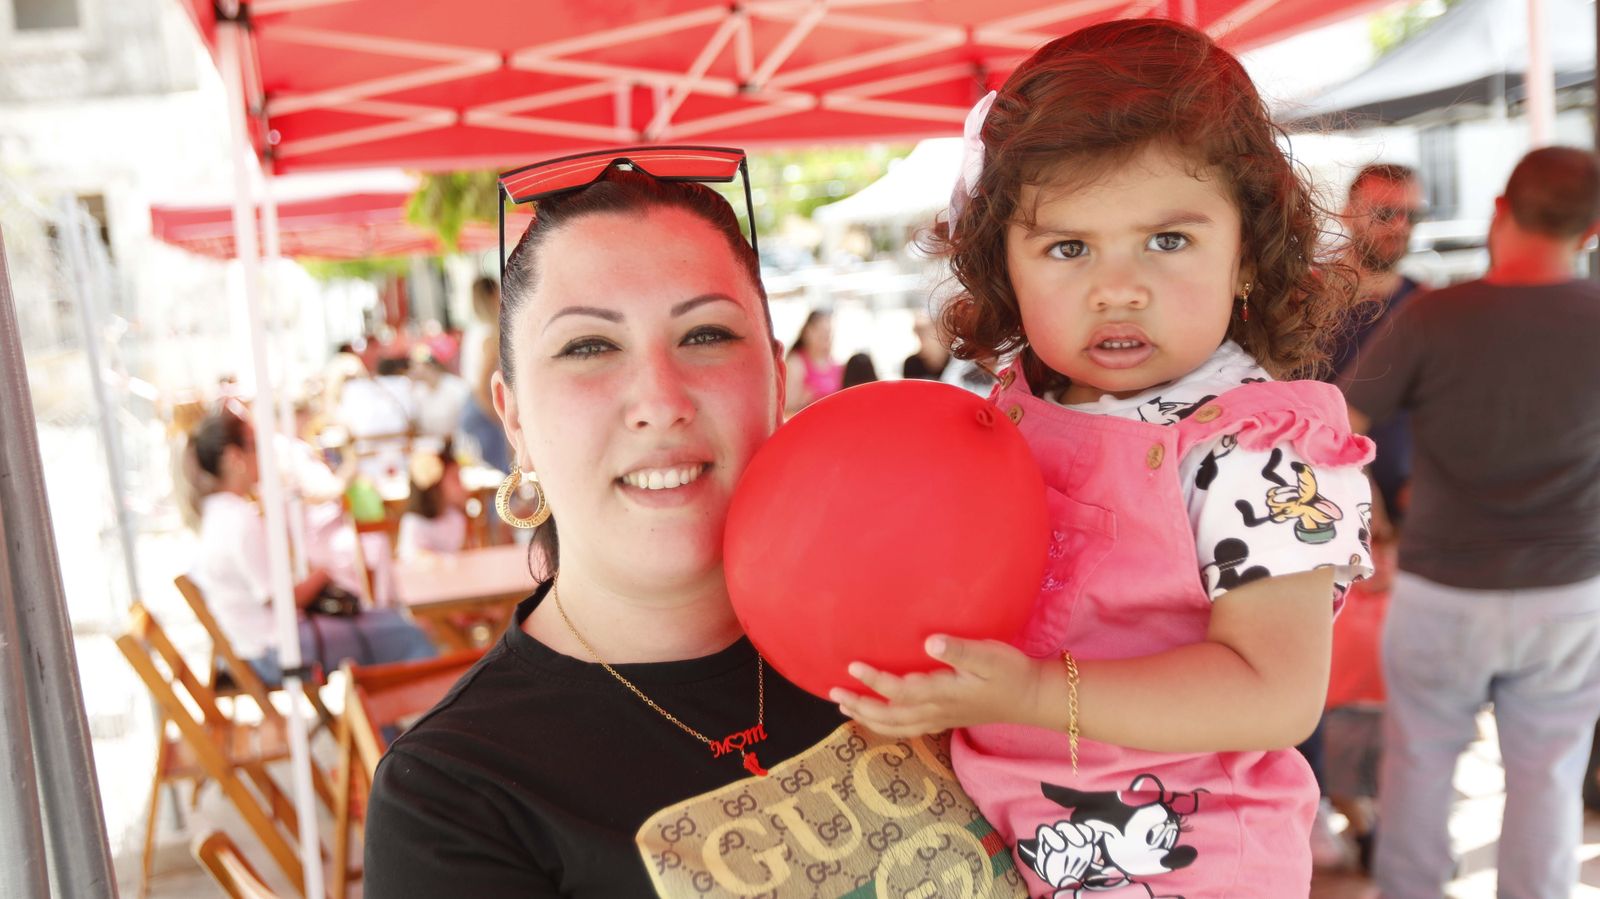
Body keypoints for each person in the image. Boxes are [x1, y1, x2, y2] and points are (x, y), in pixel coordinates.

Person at [363, 159, 1028, 897]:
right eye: (589, 346)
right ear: (513, 416)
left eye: (706, 334)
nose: (660, 399)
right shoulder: (455, 794)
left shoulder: (926, 618)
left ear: (778, 381)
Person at [829, 20, 1375, 897]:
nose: (1117, 286)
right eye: (1068, 247)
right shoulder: (1021, 401)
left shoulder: (1256, 447)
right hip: (1004, 835)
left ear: (1248, 248)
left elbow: (1273, 691)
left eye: (1168, 239)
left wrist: (1034, 694)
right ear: (1003, 263)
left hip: (1185, 858)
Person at [1340, 146, 1600, 899]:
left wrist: (1377, 520)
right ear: (1590, 231)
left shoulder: (1434, 315)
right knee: (1548, 776)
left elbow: (1342, 427)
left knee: (1418, 763)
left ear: (1498, 210)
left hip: (1441, 582)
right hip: (1568, 587)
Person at [184, 407, 436, 686]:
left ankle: (379, 728)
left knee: (388, 627)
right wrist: (322, 576)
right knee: (410, 634)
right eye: (255, 446)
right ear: (234, 458)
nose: (263, 455)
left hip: (260, 646)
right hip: (276, 650)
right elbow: (283, 601)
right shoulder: (239, 520)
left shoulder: (219, 515)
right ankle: (400, 725)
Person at [458, 276, 512, 473]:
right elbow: (482, 387)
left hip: (474, 407)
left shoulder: (475, 330)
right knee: (500, 478)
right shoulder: (488, 334)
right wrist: (502, 421)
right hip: (483, 408)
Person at [395, 440, 467, 560]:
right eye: (455, 479)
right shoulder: (414, 523)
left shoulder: (456, 518)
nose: (462, 486)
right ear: (436, 485)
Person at [783, 308, 841, 414]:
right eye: (821, 334)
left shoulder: (834, 364)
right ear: (808, 332)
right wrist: (804, 401)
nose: (826, 338)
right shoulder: (796, 363)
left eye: (828, 334)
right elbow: (786, 408)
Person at [902, 311, 950, 380]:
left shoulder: (955, 363)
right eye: (919, 334)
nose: (922, 340)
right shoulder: (912, 363)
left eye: (926, 334)